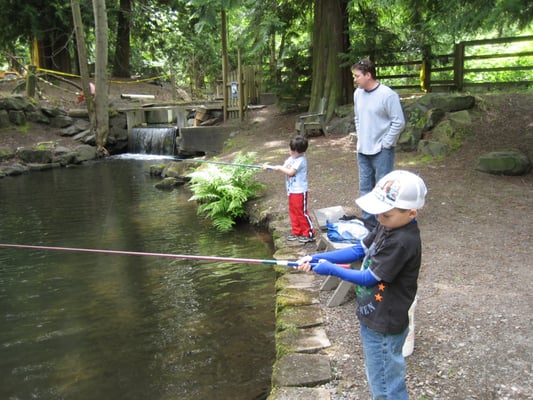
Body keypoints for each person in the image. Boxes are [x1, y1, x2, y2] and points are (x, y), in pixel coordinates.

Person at [297, 170, 427, 399]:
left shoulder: (402, 241)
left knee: (386, 387)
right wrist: (318, 258)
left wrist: (329, 269)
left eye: (385, 214)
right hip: (375, 314)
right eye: (377, 213)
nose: (378, 218)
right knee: (379, 375)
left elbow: (369, 277)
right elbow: (359, 250)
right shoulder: (388, 225)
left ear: (411, 212)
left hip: (385, 322)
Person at [352, 59, 406, 228]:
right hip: (363, 149)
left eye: (357, 76)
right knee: (365, 187)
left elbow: (398, 122)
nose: (355, 79)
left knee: (383, 189)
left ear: (368, 75)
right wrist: (361, 138)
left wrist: (387, 143)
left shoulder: (387, 95)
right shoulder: (357, 94)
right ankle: (369, 223)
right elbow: (357, 118)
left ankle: (385, 223)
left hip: (382, 151)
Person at [264, 135, 315, 243]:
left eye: (292, 150)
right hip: (291, 190)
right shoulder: (292, 158)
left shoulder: (301, 160)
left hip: (300, 191)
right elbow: (284, 167)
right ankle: (297, 232)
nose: (290, 151)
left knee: (301, 212)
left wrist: (280, 168)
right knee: (293, 211)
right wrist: (270, 167)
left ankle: (309, 233)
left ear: (299, 152)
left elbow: (291, 172)